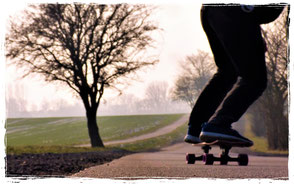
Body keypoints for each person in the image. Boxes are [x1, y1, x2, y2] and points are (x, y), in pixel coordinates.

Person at [184, 4, 285, 146]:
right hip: (236, 13)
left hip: (211, 11)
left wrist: (253, 33)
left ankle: (196, 127)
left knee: (227, 71)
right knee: (255, 78)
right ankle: (219, 124)